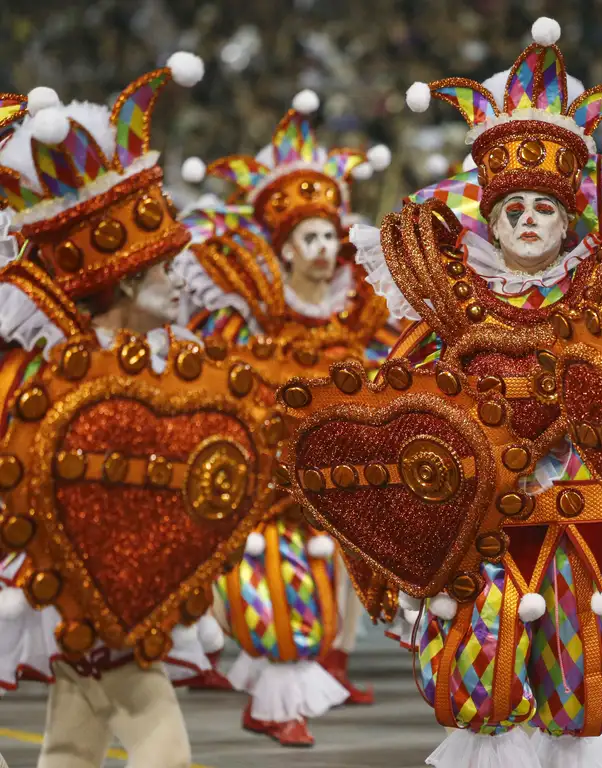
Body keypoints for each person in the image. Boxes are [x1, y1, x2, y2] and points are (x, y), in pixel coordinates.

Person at [338, 17, 602, 768]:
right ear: (489, 216)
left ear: (568, 217)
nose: (526, 221)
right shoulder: (453, 302)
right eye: (512, 209)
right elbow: (405, 401)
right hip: (483, 524)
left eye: (543, 208)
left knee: (577, 673)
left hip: (583, 520)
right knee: (481, 677)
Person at [0, 53, 214, 768]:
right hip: (76, 579)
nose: (179, 283)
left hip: (122, 586)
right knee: (160, 745)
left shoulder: (172, 354)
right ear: (124, 279)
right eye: (164, 271)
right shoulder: (57, 368)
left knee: (72, 740)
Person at [171, 91, 396, 746]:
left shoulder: (361, 304)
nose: (325, 247)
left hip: (346, 464)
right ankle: (277, 690)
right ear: (286, 247)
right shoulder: (250, 305)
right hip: (273, 470)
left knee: (343, 575)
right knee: (274, 576)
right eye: (310, 237)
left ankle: (321, 665)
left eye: (330, 233)